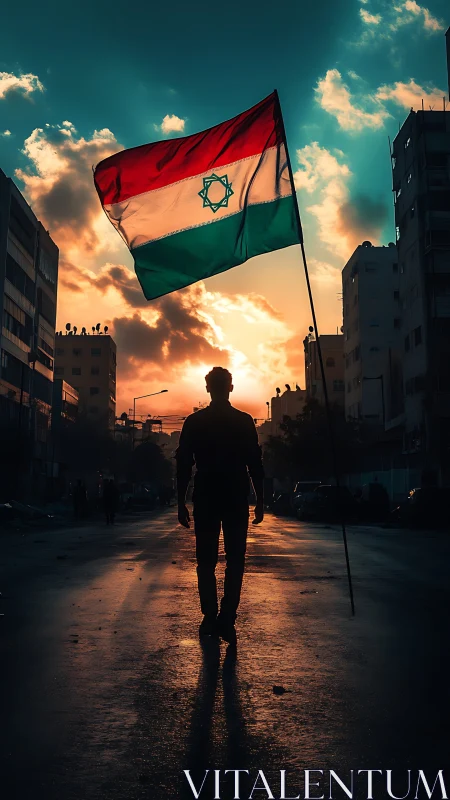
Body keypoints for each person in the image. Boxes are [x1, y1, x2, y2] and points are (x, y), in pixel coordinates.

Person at [176, 367, 264, 646]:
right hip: (236, 496)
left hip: (207, 496)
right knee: (235, 559)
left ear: (207, 389)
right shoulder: (244, 421)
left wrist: (180, 501)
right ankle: (227, 616)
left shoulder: (194, 422)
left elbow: (183, 466)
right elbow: (255, 465)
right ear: (230, 388)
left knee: (206, 560)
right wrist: (260, 500)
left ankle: (211, 615)